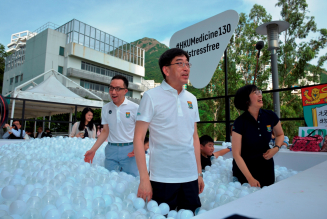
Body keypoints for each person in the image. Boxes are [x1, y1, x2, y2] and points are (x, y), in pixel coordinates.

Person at [133, 48, 204, 213]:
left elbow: (194, 138)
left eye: (187, 64)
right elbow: (138, 138)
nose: (186, 68)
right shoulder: (151, 97)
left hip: (190, 177)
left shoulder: (192, 99)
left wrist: (199, 173)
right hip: (162, 178)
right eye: (180, 63)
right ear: (166, 70)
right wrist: (144, 179)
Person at [84, 75, 139, 176]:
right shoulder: (105, 108)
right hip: (111, 150)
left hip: (130, 150)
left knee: (130, 181)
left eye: (117, 89)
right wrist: (93, 150)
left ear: (125, 91)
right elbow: (105, 131)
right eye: (111, 88)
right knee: (108, 180)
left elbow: (140, 131)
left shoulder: (135, 108)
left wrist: (137, 148)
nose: (113, 92)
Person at [232, 85, 284, 188]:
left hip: (266, 167)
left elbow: (280, 134)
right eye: (255, 93)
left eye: (259, 92)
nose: (260, 95)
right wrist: (250, 178)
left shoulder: (270, 115)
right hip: (245, 170)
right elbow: (236, 154)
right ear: (246, 99)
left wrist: (276, 148)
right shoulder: (239, 122)